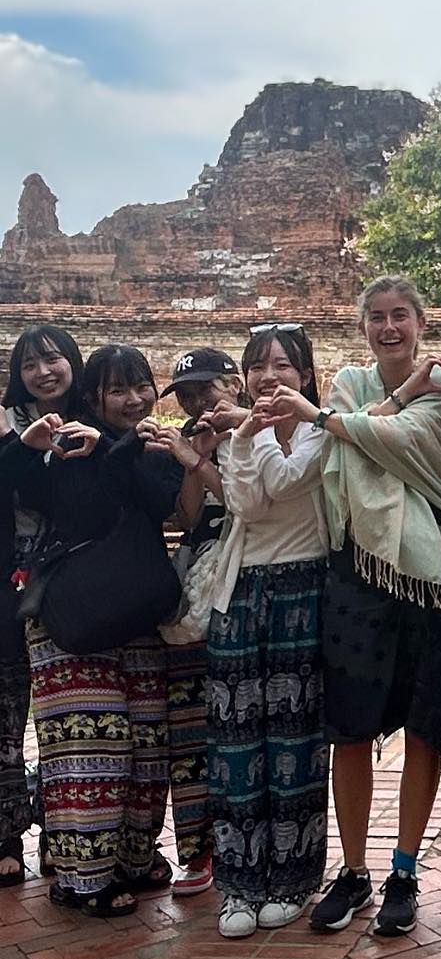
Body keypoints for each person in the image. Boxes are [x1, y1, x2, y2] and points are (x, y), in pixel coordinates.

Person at [268, 276, 441, 938]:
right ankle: (353, 870)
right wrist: (348, 421)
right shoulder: (350, 381)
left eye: (400, 315)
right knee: (349, 730)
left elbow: (402, 441)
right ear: (362, 328)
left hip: (425, 573)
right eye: (376, 317)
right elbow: (350, 442)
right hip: (356, 569)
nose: (389, 328)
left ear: (420, 322)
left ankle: (403, 870)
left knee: (423, 725)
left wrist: (330, 419)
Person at [9, 344, 183, 916]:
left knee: (147, 746)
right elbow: (80, 509)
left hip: (133, 611)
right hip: (74, 613)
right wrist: (47, 447)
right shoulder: (68, 444)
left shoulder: (152, 446)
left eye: (141, 386)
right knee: (91, 745)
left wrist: (121, 447)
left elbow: (158, 503)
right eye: (117, 390)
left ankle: (133, 860)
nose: (132, 399)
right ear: (94, 396)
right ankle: (83, 878)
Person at [199, 326, 330, 939]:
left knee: (295, 737)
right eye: (257, 366)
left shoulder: (320, 430)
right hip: (241, 591)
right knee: (235, 741)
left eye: (282, 365)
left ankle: (294, 876)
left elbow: (283, 482)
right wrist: (246, 435)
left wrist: (254, 432)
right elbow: (247, 507)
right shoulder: (239, 435)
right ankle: (239, 882)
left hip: (303, 586)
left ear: (305, 375)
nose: (268, 376)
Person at [153, 344, 246, 899]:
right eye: (186, 395)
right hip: (199, 585)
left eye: (206, 389)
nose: (197, 402)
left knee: (242, 723)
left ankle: (247, 843)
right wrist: (194, 455)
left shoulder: (259, 430)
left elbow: (247, 504)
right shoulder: (190, 439)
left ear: (234, 383)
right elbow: (189, 516)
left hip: (244, 583)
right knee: (190, 725)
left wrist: (200, 460)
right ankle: (198, 848)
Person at [0, 325, 86, 883]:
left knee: (63, 719)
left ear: (72, 361)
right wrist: (23, 448)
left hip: (71, 584)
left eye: (52, 359)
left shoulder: (92, 419)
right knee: (8, 713)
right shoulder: (5, 425)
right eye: (29, 365)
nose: (43, 372)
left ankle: (62, 833)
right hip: (9, 582)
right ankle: (6, 834)